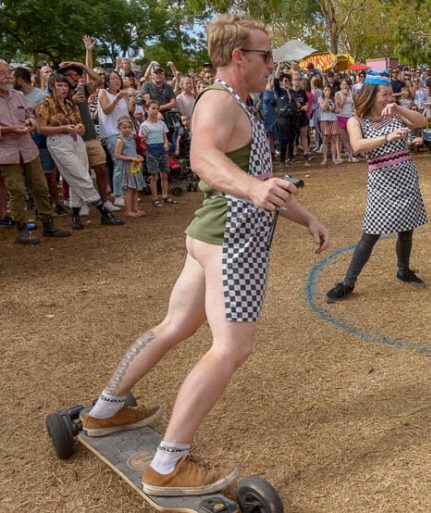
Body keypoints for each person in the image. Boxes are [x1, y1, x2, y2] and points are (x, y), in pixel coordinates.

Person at [81, 12, 330, 497]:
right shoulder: (218, 100)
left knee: (175, 325)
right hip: (231, 243)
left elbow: (258, 181)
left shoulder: (238, 102)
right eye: (265, 55)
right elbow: (203, 159)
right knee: (231, 348)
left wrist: (306, 218)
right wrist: (253, 190)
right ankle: (167, 465)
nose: (272, 64)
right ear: (239, 56)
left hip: (210, 237)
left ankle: (105, 410)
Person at [324, 70, 428, 303]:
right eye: (385, 94)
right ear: (371, 94)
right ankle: (348, 283)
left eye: (391, 94)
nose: (389, 98)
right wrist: (387, 137)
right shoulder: (356, 120)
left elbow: (422, 122)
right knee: (370, 234)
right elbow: (358, 145)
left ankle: (403, 270)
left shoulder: (395, 114)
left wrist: (399, 109)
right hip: (381, 182)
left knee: (406, 229)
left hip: (405, 177)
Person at [36, 73, 124, 230]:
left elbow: (81, 125)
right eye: (59, 85)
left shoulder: (71, 104)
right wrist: (63, 128)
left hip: (76, 140)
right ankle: (103, 211)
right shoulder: (45, 103)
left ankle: (75, 216)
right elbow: (41, 128)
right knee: (81, 176)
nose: (63, 89)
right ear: (51, 87)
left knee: (76, 177)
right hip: (58, 142)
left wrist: (80, 128)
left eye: (65, 86)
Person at [0, 59, 70, 244]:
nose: (8, 76)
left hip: (28, 149)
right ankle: (21, 229)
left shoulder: (18, 95)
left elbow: (30, 114)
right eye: (2, 73)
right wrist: (9, 130)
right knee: (16, 190)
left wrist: (31, 121)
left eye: (8, 72)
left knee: (41, 186)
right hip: (6, 153)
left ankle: (48, 224)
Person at [98, 71, 136, 207]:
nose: (117, 80)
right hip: (112, 133)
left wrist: (132, 102)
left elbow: (130, 110)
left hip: (127, 132)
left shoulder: (122, 93)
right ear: (107, 82)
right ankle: (118, 194)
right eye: (113, 78)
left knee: (129, 162)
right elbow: (106, 110)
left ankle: (127, 192)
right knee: (119, 163)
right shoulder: (103, 92)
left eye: (118, 78)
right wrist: (117, 99)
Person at [140, 100, 174, 206]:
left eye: (157, 109)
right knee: (154, 176)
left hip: (162, 151)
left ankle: (165, 196)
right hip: (151, 151)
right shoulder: (144, 125)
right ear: (146, 109)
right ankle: (155, 198)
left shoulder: (161, 123)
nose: (155, 111)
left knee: (164, 175)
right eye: (153, 108)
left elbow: (165, 137)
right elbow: (142, 140)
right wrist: (143, 139)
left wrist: (166, 144)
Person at [113, 116, 145, 217]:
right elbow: (117, 155)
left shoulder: (132, 139)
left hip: (135, 166)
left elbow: (133, 152)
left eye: (129, 127)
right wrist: (131, 158)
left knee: (135, 188)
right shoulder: (120, 140)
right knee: (130, 188)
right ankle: (128, 210)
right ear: (119, 128)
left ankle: (135, 208)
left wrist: (138, 156)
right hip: (127, 167)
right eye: (124, 127)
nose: (127, 129)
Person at [318, 85, 342, 165]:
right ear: (323, 91)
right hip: (324, 120)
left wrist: (334, 109)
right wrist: (327, 98)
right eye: (325, 90)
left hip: (333, 120)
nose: (327, 92)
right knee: (325, 140)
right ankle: (325, 158)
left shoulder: (334, 99)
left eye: (328, 90)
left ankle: (334, 158)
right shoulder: (320, 99)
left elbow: (338, 110)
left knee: (334, 140)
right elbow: (323, 108)